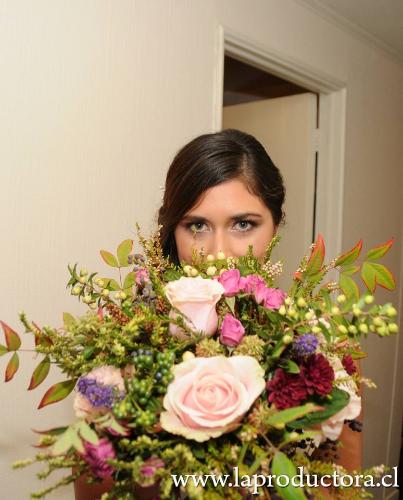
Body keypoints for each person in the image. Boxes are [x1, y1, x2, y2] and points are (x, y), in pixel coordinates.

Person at [75, 129, 362, 499]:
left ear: (276, 224)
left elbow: (345, 488)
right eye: (197, 226)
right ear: (172, 231)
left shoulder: (321, 355)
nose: (219, 252)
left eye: (243, 224)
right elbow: (95, 489)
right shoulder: (123, 353)